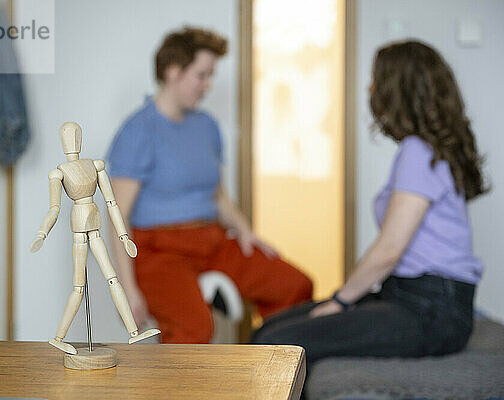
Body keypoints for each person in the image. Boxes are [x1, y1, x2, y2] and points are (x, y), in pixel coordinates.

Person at [252, 40, 488, 366]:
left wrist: (341, 300)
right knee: (269, 330)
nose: (370, 87)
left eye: (377, 79)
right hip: (409, 296)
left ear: (397, 89)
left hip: (433, 309)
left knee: (276, 343)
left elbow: (389, 250)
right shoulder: (422, 149)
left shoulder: (418, 152)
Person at [105, 27, 313, 344]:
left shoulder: (207, 126)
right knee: (196, 330)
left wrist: (246, 233)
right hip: (159, 252)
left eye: (211, 76)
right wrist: (126, 289)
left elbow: (218, 196)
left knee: (294, 284)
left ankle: (271, 370)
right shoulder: (138, 131)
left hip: (211, 242)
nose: (207, 85)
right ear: (174, 72)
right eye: (201, 75)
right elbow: (117, 216)